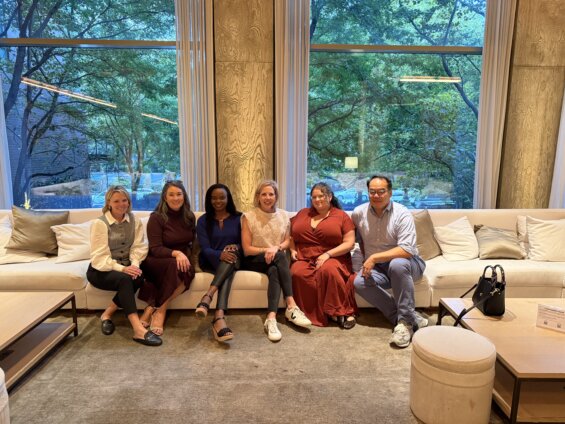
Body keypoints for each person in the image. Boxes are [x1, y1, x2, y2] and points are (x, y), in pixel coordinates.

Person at [352, 175, 427, 348]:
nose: (376, 195)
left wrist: (373, 258)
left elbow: (407, 250)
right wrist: (366, 259)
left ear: (390, 192)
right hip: (379, 268)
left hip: (409, 263)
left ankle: (406, 323)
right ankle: (406, 319)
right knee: (359, 282)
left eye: (381, 191)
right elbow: (359, 240)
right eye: (372, 192)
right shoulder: (358, 213)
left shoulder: (402, 213)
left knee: (397, 264)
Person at [87, 185, 162, 346]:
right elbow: (99, 257)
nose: (121, 204)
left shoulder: (135, 221)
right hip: (100, 270)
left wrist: (134, 265)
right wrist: (123, 269)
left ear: (128, 202)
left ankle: (107, 315)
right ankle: (138, 329)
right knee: (125, 279)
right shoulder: (100, 223)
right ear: (108, 203)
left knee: (137, 277)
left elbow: (138, 247)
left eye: (124, 200)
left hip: (126, 267)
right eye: (116, 201)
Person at [241, 180, 312, 341]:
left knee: (274, 269)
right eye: (264, 194)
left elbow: (287, 241)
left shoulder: (284, 215)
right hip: (254, 259)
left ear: (276, 196)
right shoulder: (248, 216)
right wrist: (270, 250)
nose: (268, 198)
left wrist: (276, 248)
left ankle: (271, 318)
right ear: (258, 197)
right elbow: (246, 249)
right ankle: (291, 305)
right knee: (279, 255)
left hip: (274, 261)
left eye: (271, 194)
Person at [290, 182, 357, 328]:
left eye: (321, 196)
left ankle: (339, 311)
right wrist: (292, 249)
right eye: (314, 197)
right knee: (297, 272)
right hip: (305, 257)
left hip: (334, 256)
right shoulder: (303, 213)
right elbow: (290, 234)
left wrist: (327, 254)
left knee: (328, 270)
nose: (317, 199)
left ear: (330, 197)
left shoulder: (341, 216)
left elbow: (349, 243)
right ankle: (308, 313)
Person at [137, 180, 196, 336]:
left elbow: (191, 243)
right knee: (174, 266)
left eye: (179, 194)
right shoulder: (156, 217)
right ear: (165, 197)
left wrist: (186, 257)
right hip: (156, 260)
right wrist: (176, 253)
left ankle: (157, 308)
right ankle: (159, 311)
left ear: (184, 196)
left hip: (180, 259)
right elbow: (155, 248)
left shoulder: (189, 216)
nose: (176, 198)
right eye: (171, 194)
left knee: (188, 270)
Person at [195, 183, 241, 342]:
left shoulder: (239, 218)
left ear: (228, 198)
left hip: (234, 258)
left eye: (222, 197)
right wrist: (220, 254)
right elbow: (205, 248)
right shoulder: (203, 220)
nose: (218, 201)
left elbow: (246, 243)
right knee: (228, 269)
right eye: (214, 198)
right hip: (210, 260)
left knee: (231, 257)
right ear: (209, 200)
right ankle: (218, 318)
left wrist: (236, 246)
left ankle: (208, 297)